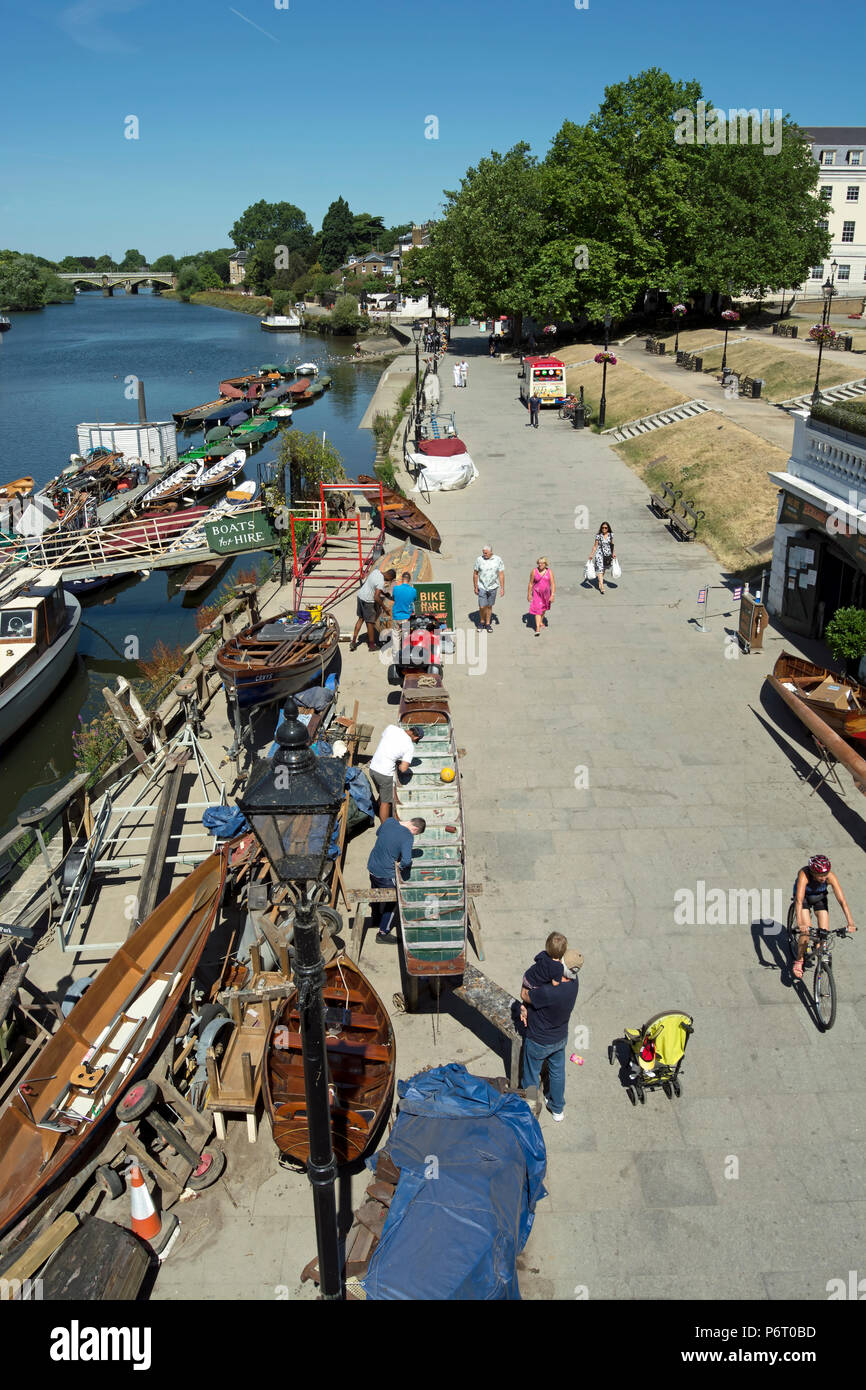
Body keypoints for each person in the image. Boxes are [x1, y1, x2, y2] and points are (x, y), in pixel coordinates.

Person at [519, 933, 582, 1121]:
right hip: (560, 1037)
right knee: (557, 1072)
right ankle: (557, 1108)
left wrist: (524, 1005)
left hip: (539, 1039)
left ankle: (530, 1108)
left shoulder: (547, 992)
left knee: (530, 1075)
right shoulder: (574, 984)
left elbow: (525, 994)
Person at [791, 855, 855, 979]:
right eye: (820, 876)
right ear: (812, 873)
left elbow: (842, 901)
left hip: (819, 897)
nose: (824, 877)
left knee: (824, 933)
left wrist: (850, 922)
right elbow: (799, 901)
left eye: (826, 874)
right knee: (807, 932)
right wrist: (800, 923)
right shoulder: (804, 875)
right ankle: (799, 960)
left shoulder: (830, 877)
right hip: (804, 897)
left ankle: (817, 947)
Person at [367, 814, 427, 941]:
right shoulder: (408, 836)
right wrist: (401, 866)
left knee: (375, 892)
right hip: (386, 874)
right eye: (416, 834)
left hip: (372, 866)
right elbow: (406, 861)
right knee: (393, 901)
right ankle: (383, 933)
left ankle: (375, 917)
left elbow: (379, 833)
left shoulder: (389, 821)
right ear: (415, 829)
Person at [368, 723, 424, 821]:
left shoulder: (391, 728)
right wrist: (400, 764)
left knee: (382, 793)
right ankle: (385, 827)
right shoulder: (409, 747)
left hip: (373, 768)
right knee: (386, 802)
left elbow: (387, 744)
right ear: (416, 737)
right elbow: (403, 769)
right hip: (384, 774)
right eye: (416, 740)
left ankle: (377, 808)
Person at [351, 566, 396, 652]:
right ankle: (371, 645)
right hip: (368, 601)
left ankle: (353, 641)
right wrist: (384, 607)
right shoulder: (381, 582)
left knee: (360, 619)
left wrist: (384, 593)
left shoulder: (376, 571)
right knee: (370, 623)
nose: (388, 581)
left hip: (360, 596)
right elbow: (376, 597)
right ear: (389, 577)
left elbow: (374, 586)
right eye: (390, 580)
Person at [473, 545, 504, 632]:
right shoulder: (479, 559)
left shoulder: (498, 559)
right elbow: (475, 573)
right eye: (483, 552)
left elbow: (501, 574)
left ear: (491, 552)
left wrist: (502, 588)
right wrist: (475, 586)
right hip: (482, 586)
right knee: (482, 606)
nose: (484, 554)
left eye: (486, 553)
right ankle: (481, 621)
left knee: (489, 606)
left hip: (493, 586)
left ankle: (487, 624)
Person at [527, 556, 555, 636]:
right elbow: (531, 583)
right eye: (538, 563)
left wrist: (552, 595)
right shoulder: (534, 571)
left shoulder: (549, 572)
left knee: (543, 608)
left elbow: (552, 584)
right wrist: (529, 594)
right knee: (538, 610)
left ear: (545, 564)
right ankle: (537, 629)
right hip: (536, 593)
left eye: (542, 563)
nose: (540, 565)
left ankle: (541, 621)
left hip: (546, 594)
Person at [588, 521, 616, 595]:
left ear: (608, 528)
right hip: (599, 554)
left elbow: (612, 544)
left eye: (606, 528)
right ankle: (602, 586)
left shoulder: (610, 535)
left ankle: (600, 582)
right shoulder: (598, 536)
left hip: (607, 555)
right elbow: (595, 546)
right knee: (600, 569)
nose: (604, 529)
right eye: (603, 527)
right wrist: (591, 555)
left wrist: (613, 553)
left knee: (603, 569)